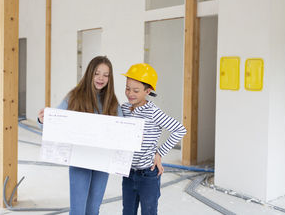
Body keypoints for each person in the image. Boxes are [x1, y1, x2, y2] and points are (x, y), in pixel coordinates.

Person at [37, 55, 123, 215]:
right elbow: (54, 122)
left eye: (106, 75)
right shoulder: (75, 96)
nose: (101, 78)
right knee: (78, 210)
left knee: (93, 209)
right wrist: (43, 120)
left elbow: (122, 130)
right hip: (80, 160)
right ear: (90, 73)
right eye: (97, 73)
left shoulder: (112, 101)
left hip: (102, 162)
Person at [121, 63, 187, 215]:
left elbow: (180, 129)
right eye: (127, 88)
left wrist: (159, 153)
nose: (130, 93)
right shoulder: (123, 109)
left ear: (148, 91)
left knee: (149, 211)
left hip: (148, 174)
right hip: (128, 173)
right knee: (127, 211)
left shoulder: (153, 112)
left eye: (136, 90)